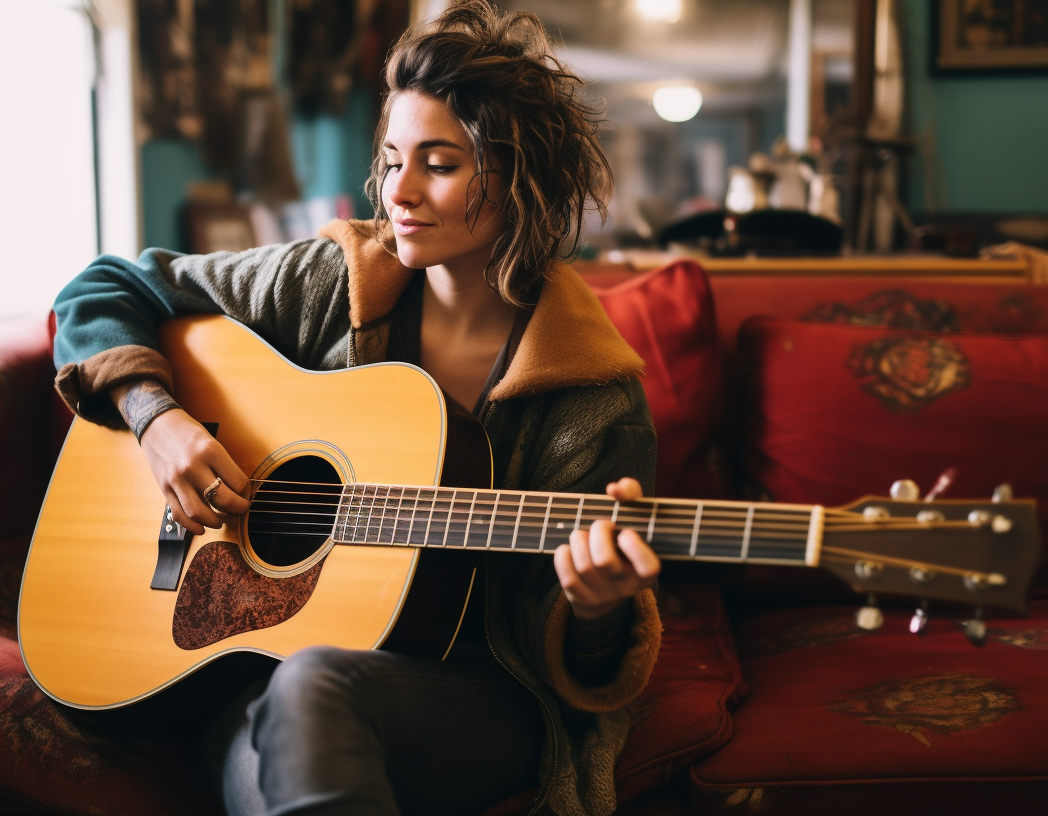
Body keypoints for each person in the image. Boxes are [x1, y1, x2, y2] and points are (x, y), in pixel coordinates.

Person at [50, 3, 660, 814]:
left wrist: (596, 606)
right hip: (260, 669)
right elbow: (103, 287)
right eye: (392, 160)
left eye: (438, 164)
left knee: (307, 688)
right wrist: (159, 419)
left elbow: (586, 657)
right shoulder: (328, 282)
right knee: (283, 724)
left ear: (519, 177)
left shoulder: (595, 399)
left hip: (472, 691)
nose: (399, 192)